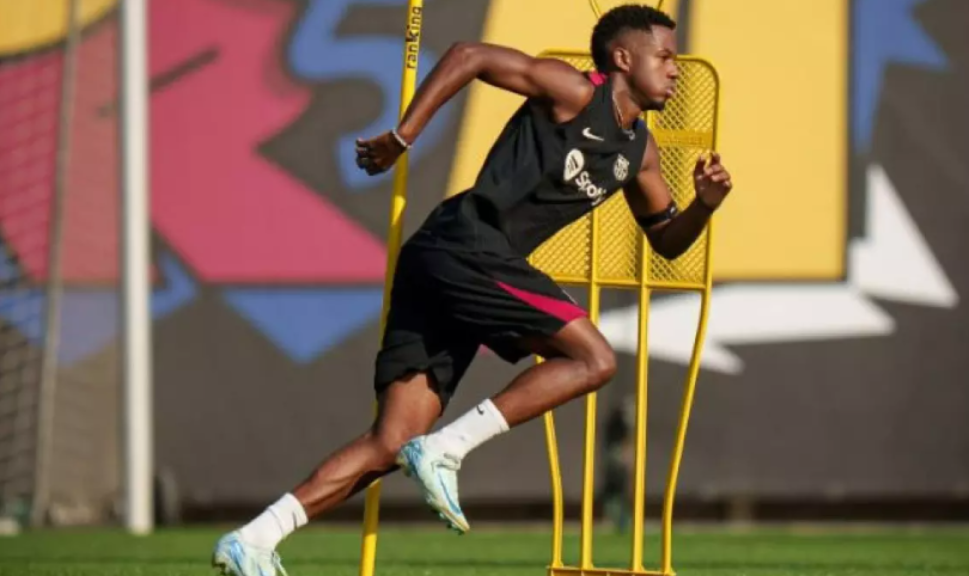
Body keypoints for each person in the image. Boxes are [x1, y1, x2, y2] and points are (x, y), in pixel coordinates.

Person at [212, 4, 733, 575]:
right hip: (469, 244)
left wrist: (704, 206)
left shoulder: (643, 153)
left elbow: (666, 241)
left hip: (454, 263)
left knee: (391, 441)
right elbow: (469, 55)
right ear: (623, 58)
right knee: (595, 358)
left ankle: (255, 539)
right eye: (665, 57)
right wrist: (402, 137)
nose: (675, 70)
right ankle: (446, 450)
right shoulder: (576, 92)